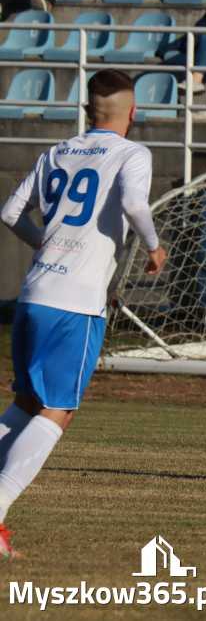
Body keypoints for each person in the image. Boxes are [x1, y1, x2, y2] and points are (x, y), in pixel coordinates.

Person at [0, 69, 167, 558]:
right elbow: (135, 203)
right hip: (74, 303)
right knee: (59, 409)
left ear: (86, 112)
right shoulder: (132, 152)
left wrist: (43, 247)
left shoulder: (55, 152)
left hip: (33, 295)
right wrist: (153, 248)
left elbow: (11, 212)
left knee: (28, 404)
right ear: (133, 112)